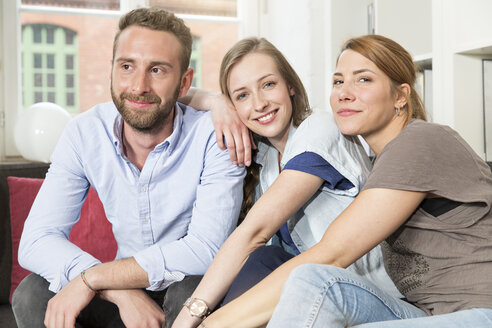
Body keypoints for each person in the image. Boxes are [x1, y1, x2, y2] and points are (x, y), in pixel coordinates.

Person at [196, 34, 492, 328]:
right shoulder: (380, 162)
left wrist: (210, 323)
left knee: (316, 277)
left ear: (400, 95)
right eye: (338, 81)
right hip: (428, 314)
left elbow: (333, 252)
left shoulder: (419, 142)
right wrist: (213, 101)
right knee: (310, 277)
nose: (344, 93)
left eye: (363, 80)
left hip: (481, 312)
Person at [12, 7, 245, 328]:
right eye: (127, 66)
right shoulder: (84, 133)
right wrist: (116, 290)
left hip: (189, 289)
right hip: (121, 288)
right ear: (111, 71)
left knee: (192, 289)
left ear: (184, 82)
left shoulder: (214, 134)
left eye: (158, 70)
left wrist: (92, 278)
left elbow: (206, 250)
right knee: (31, 293)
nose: (139, 86)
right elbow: (37, 241)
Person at [172, 37, 400, 328]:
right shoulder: (267, 158)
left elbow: (254, 232)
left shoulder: (320, 130)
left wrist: (190, 317)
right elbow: (172, 93)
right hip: (312, 290)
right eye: (242, 96)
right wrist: (218, 103)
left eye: (268, 85)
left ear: (290, 86)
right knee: (224, 276)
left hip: (365, 293)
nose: (259, 103)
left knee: (263, 259)